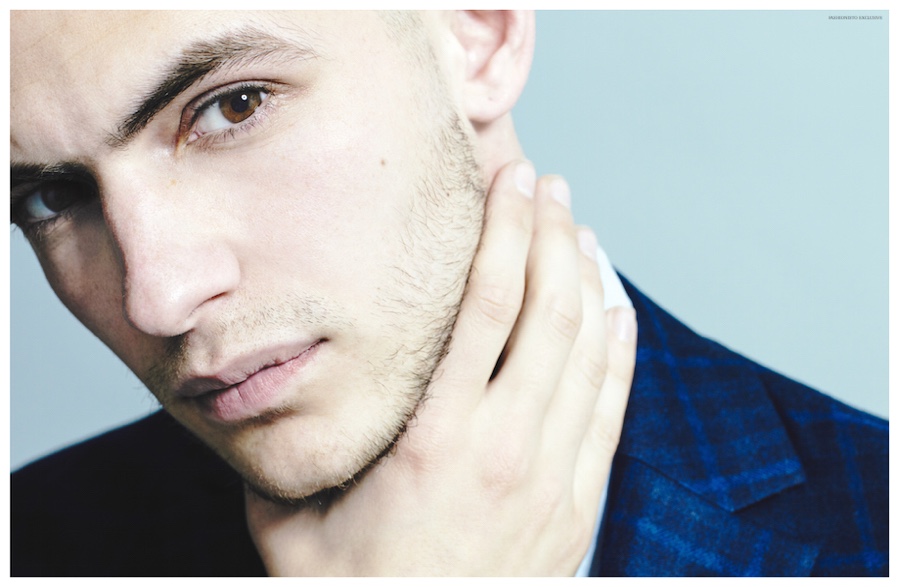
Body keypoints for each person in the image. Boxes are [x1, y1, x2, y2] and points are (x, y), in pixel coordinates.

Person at [10, 11, 887, 576]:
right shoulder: (37, 542)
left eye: (233, 106)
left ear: (480, 31)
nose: (156, 298)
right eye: (52, 196)